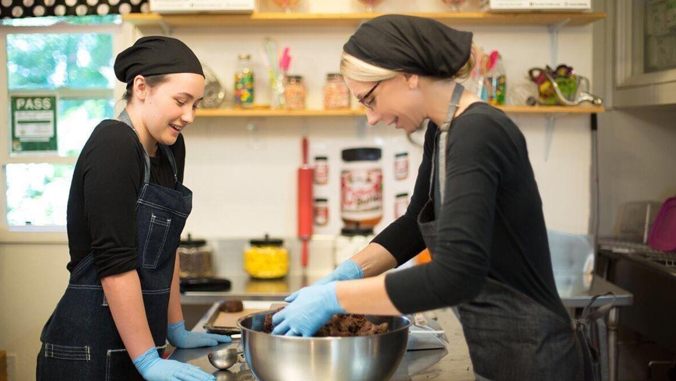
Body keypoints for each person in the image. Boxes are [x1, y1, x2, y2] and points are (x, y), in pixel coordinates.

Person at [272, 15, 594, 381]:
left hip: (538, 358)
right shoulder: (443, 130)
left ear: (408, 74)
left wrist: (337, 298)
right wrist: (343, 274)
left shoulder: (478, 133)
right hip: (502, 355)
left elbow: (456, 275)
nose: (372, 117)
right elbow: (414, 225)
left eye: (371, 99)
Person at [37, 36, 226, 381]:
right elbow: (115, 265)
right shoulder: (113, 144)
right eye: (181, 101)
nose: (189, 116)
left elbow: (166, 250)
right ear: (141, 87)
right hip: (87, 352)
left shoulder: (171, 148)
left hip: (141, 348)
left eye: (196, 105)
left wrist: (175, 328)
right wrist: (147, 360)